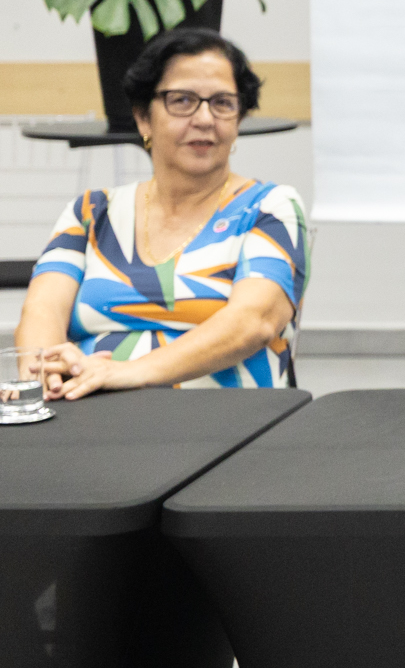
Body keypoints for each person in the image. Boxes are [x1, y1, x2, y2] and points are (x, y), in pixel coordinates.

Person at [16, 27, 307, 394]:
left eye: (222, 103)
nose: (204, 119)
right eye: (182, 100)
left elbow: (254, 322)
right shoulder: (91, 213)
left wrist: (124, 373)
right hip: (89, 411)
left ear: (238, 121)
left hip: (229, 418)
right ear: (143, 117)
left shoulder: (270, 207)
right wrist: (45, 373)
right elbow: (41, 311)